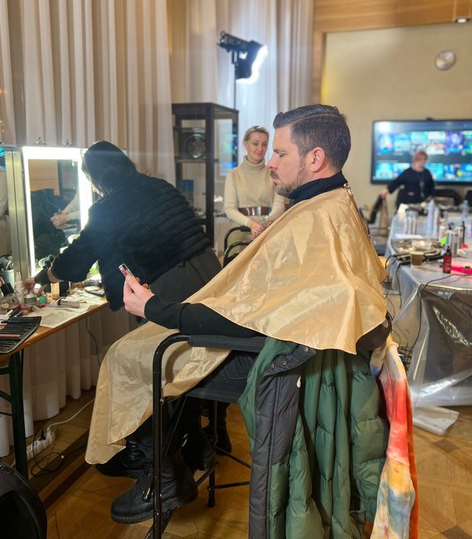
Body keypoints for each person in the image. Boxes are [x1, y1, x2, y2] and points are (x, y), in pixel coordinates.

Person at [85, 105, 397, 530]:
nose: (270, 162)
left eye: (280, 153)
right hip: (281, 342)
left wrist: (154, 309)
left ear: (315, 158)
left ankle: (162, 477)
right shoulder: (333, 202)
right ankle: (193, 450)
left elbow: (247, 320)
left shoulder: (313, 219)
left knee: (132, 356)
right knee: (150, 350)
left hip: (268, 355)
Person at [25, 140, 222, 480]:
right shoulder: (158, 186)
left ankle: (160, 467)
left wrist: (43, 276)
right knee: (181, 369)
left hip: (175, 290)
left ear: (95, 179)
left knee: (146, 372)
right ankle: (195, 444)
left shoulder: (108, 207)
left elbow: (76, 261)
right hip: (212, 280)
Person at [224, 125, 286, 238]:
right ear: (245, 144)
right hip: (240, 229)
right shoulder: (233, 174)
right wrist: (251, 224)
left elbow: (279, 204)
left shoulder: (274, 173)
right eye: (255, 143)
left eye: (264, 144)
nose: (260, 149)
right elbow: (230, 209)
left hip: (268, 230)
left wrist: (266, 223)